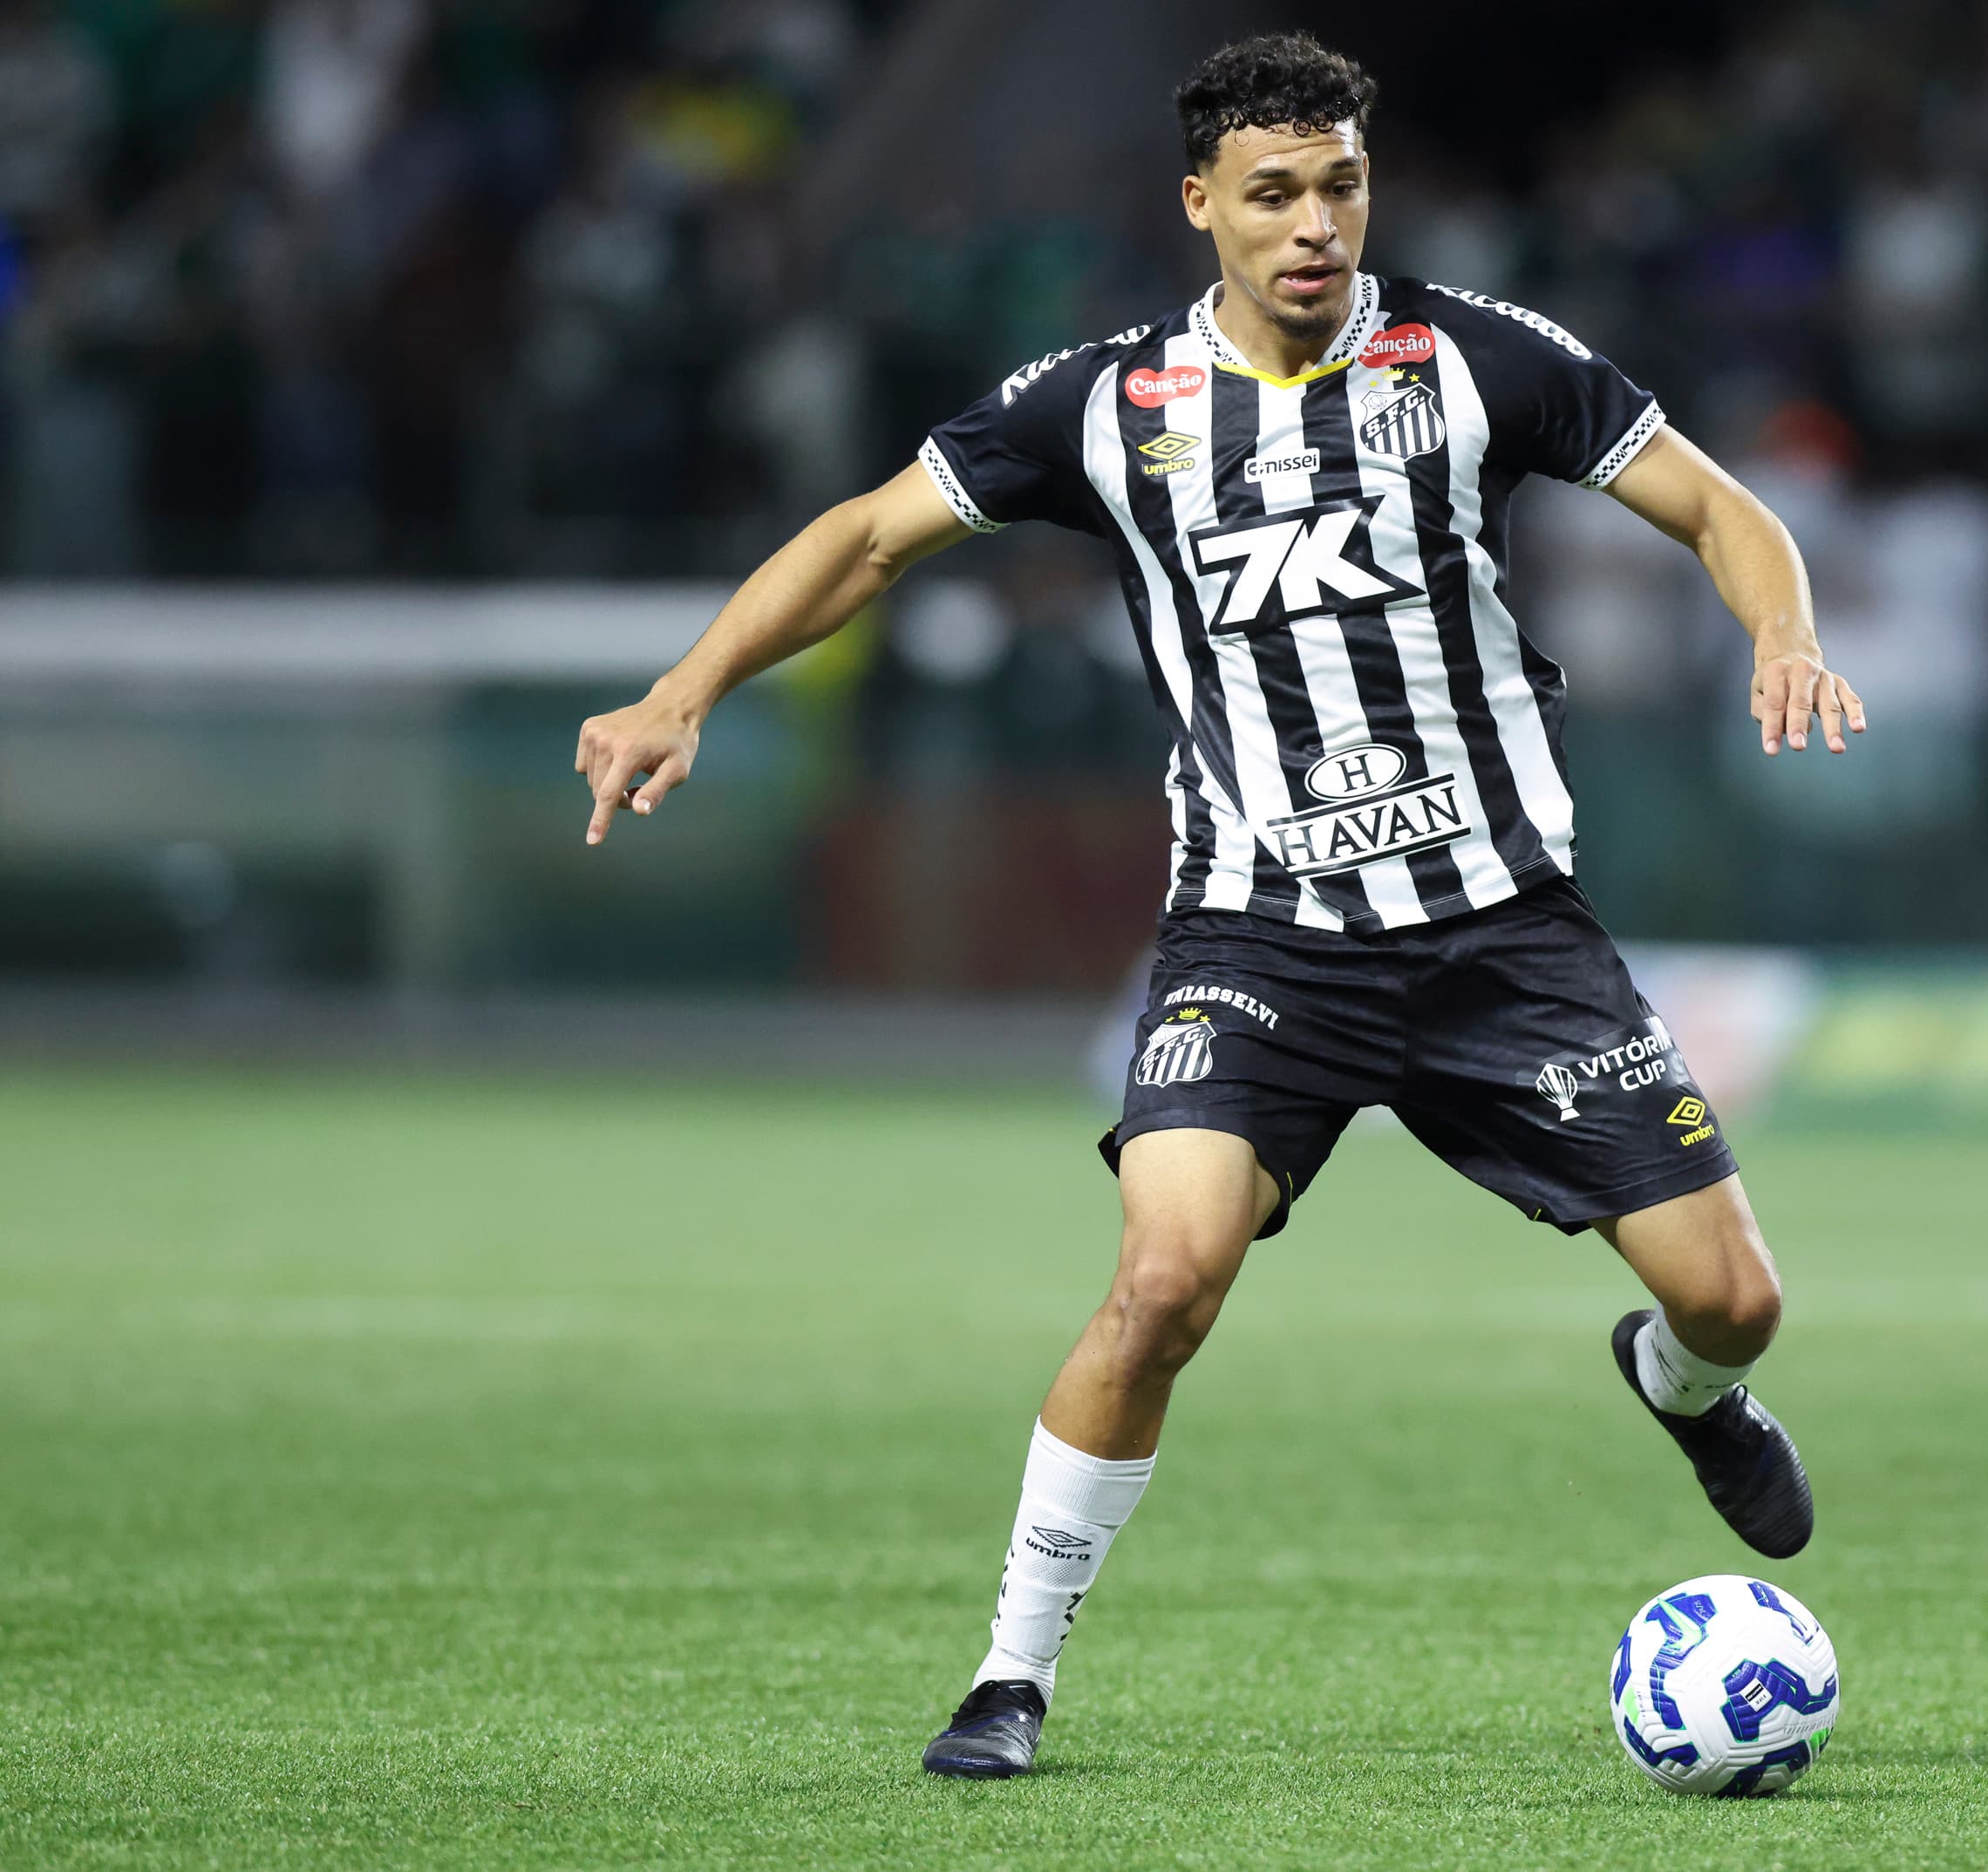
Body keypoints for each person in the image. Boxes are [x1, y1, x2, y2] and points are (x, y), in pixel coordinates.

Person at [570, 33, 1867, 1781]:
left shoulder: (1478, 361)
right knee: (1162, 1279)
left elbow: (1716, 505)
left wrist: (1780, 630)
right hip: (1256, 940)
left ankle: (1680, 1386)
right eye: (1273, 193)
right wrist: (684, 688)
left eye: (1339, 185)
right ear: (1201, 207)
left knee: (1737, 1308)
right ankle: (1008, 1678)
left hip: (1502, 935)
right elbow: (869, 539)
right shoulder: (1108, 407)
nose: (1314, 222)